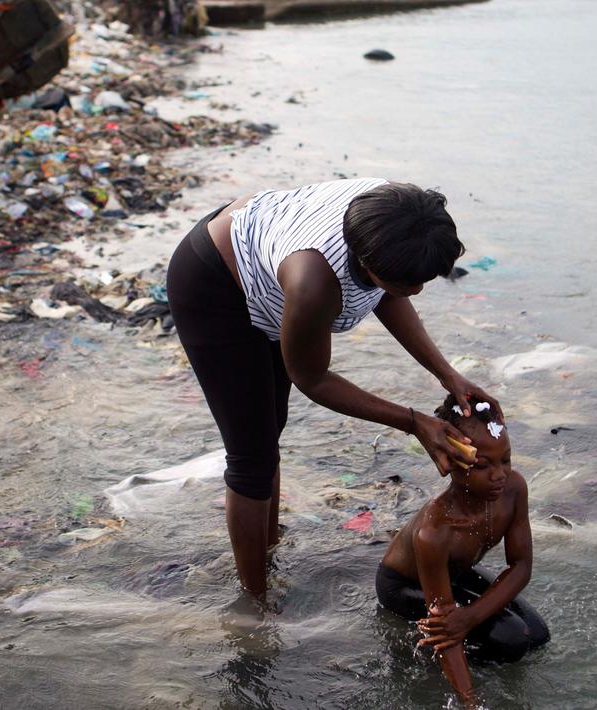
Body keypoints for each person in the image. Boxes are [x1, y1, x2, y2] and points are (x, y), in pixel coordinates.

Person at [165, 178, 497, 597]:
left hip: (270, 267)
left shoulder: (399, 217)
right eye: (409, 283)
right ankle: (254, 602)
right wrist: (414, 422)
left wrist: (447, 373)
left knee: (269, 429)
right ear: (367, 262)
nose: (416, 290)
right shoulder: (314, 280)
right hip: (216, 285)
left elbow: (388, 291)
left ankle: (268, 545)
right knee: (251, 454)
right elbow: (312, 378)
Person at [376, 395, 549, 705]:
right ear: (452, 462)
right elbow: (445, 626)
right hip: (403, 585)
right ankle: (418, 653)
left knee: (536, 635)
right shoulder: (436, 529)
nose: (499, 474)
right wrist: (470, 701)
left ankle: (474, 635)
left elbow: (521, 566)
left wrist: (468, 617)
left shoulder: (513, 490)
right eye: (483, 465)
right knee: (510, 639)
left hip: (455, 573)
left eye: (505, 460)